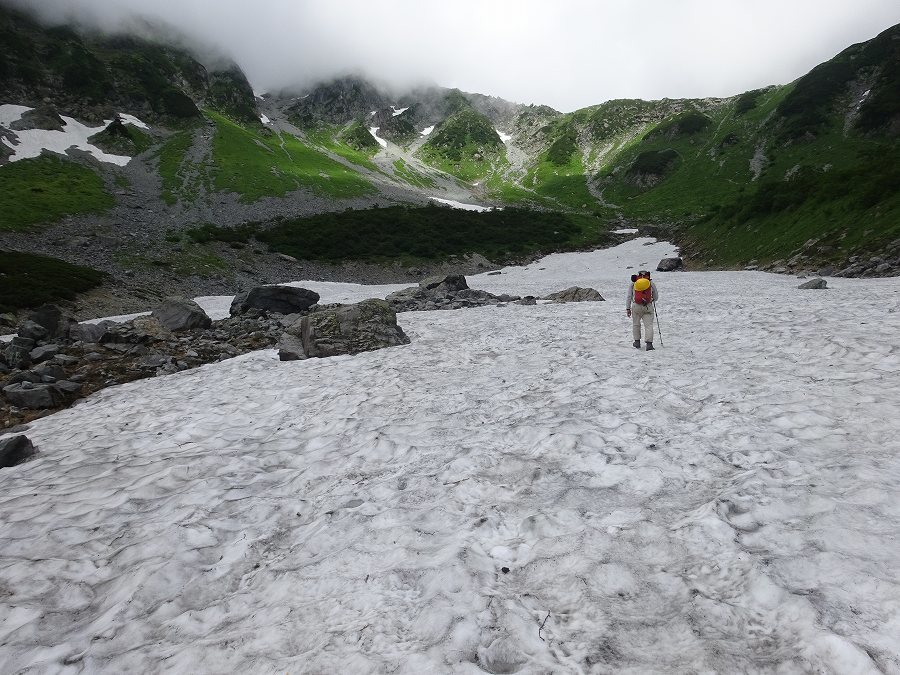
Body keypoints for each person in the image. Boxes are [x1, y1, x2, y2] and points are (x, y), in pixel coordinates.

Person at [626, 270, 659, 350]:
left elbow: (629, 296)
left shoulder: (634, 283)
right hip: (648, 306)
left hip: (636, 306)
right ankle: (649, 344)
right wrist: (651, 300)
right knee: (648, 325)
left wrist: (628, 308)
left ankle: (637, 342)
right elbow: (656, 296)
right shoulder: (650, 282)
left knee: (636, 324)